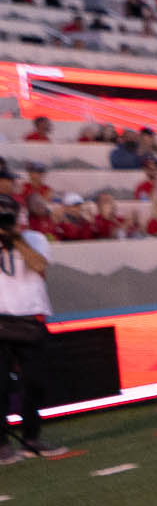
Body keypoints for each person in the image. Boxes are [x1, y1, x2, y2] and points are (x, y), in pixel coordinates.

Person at [0, 194, 72, 463]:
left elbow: (40, 267)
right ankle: (2, 444)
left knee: (36, 384)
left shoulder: (35, 239)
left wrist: (15, 239)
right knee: (1, 386)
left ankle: (31, 438)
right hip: (1, 321)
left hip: (31, 322)